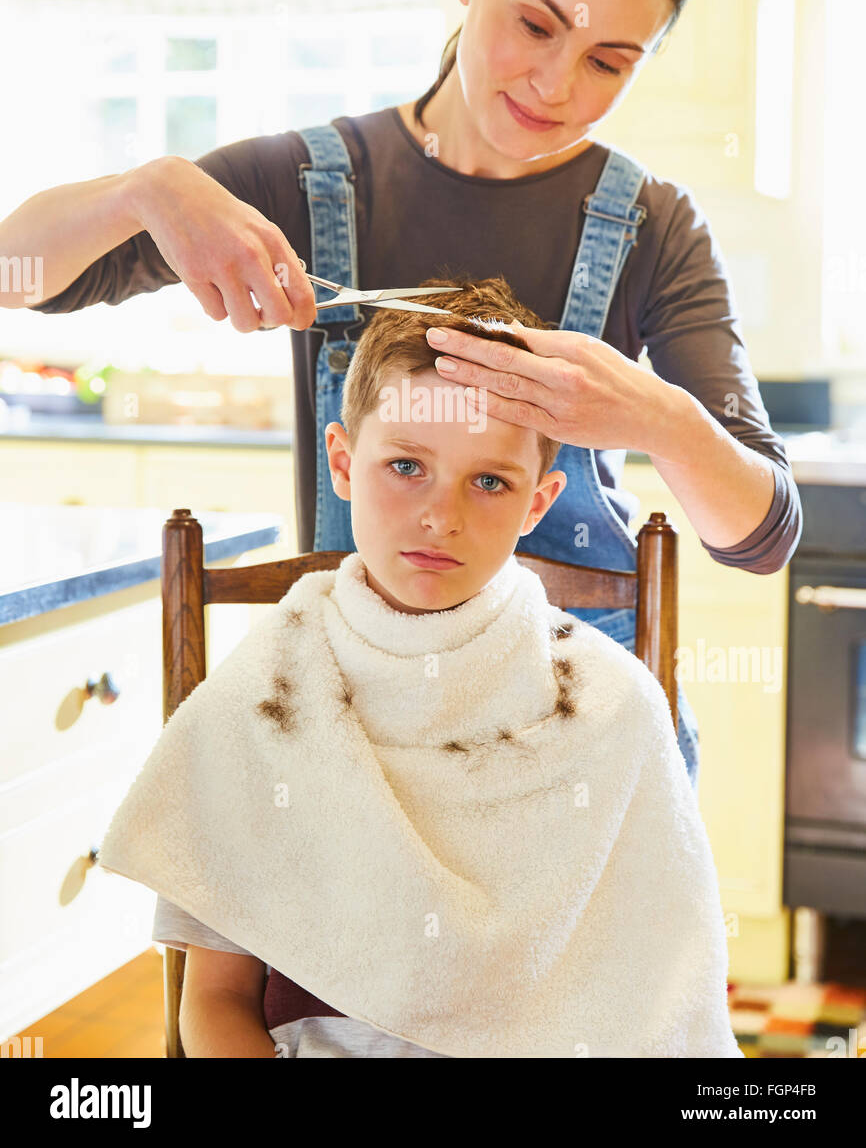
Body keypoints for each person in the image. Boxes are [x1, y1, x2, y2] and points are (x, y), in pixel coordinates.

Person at [2, 0, 801, 783]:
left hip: (572, 753)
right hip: (350, 745)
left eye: (606, 62)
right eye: (533, 25)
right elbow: (18, 274)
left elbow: (764, 535)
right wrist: (144, 190)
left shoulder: (653, 229)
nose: (555, 85)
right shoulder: (303, 184)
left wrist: (653, 416)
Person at [97, 277, 743, 1060]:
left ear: (537, 505)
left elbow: (657, 1014)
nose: (443, 515)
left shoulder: (610, 708)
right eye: (407, 466)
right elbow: (215, 1005)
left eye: (490, 481)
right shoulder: (262, 699)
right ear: (342, 461)